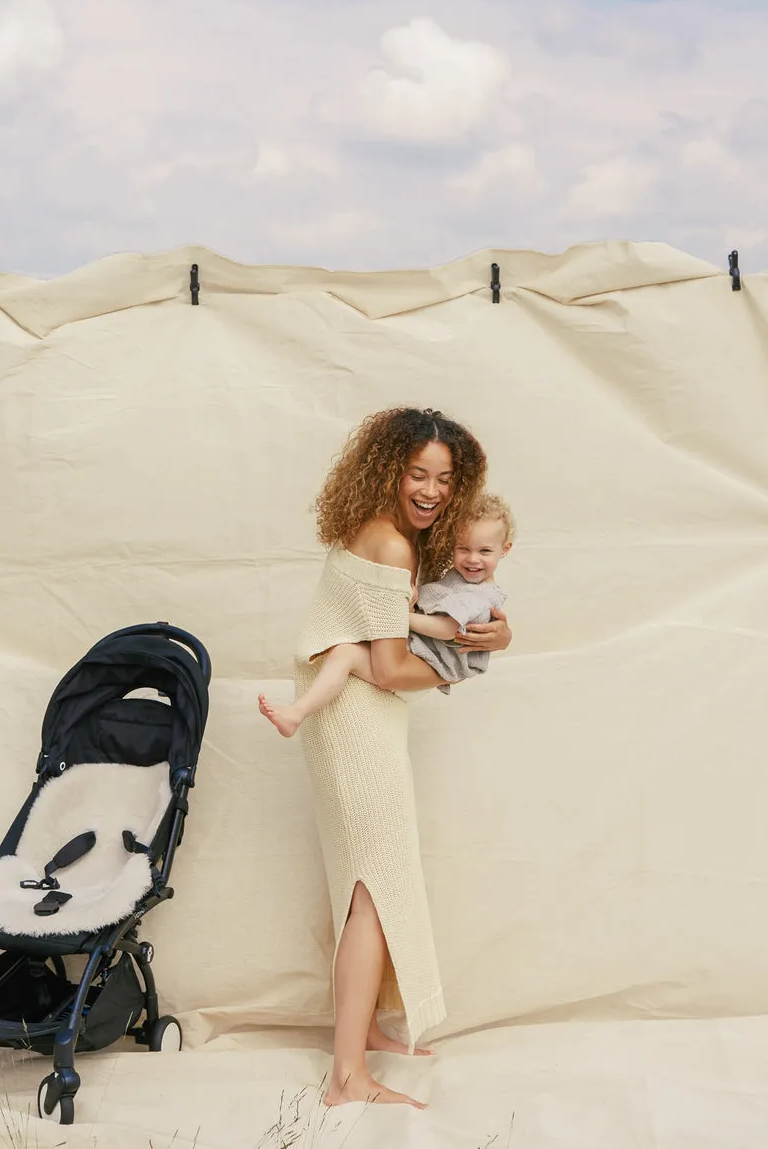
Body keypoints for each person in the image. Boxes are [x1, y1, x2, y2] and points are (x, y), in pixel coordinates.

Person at [288, 408, 512, 1109]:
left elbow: (403, 641)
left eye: (446, 478)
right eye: (419, 473)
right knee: (372, 888)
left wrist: (493, 639)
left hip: (350, 710)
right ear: (390, 469)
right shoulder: (390, 546)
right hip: (355, 715)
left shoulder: (381, 532)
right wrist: (465, 667)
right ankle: (347, 1077)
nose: (433, 490)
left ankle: (364, 1037)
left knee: (366, 880)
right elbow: (388, 668)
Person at [258, 494, 514, 737]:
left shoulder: (479, 597)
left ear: (505, 549)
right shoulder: (461, 580)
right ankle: (296, 713)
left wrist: (400, 614)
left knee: (345, 655)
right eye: (463, 548)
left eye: (484, 551)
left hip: (421, 667)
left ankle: (297, 712)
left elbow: (448, 629)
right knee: (342, 653)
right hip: (418, 656)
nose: (472, 559)